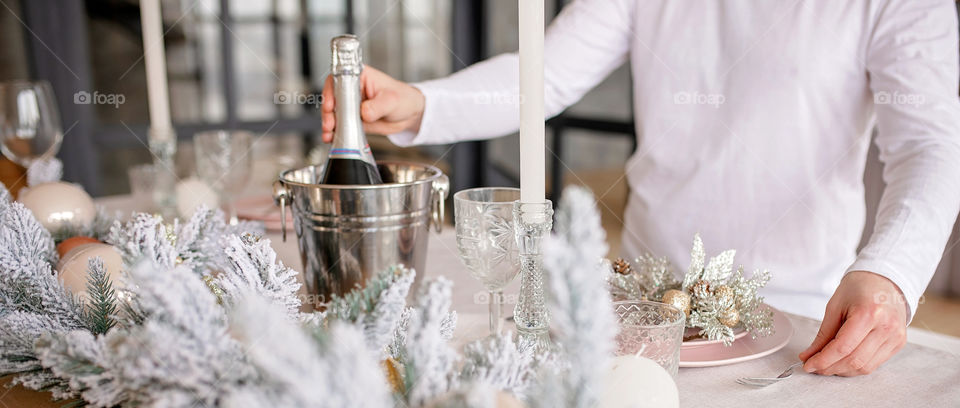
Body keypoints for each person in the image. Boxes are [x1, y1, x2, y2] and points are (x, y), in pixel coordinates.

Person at [322, 0, 960, 377]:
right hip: (636, 304)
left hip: (798, 316)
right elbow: (546, 76)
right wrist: (419, 104)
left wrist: (891, 273)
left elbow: (932, 144)